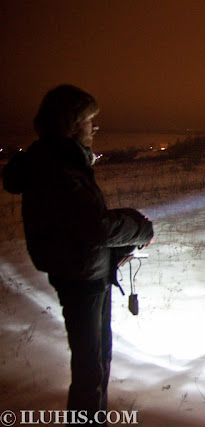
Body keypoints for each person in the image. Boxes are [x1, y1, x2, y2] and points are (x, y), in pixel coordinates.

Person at [2, 84, 154, 424]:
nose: (94, 128)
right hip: (81, 279)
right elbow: (95, 228)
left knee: (96, 361)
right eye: (89, 121)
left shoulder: (60, 162)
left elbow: (79, 224)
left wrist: (117, 247)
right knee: (90, 368)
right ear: (69, 124)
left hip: (86, 272)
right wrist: (138, 228)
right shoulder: (58, 169)